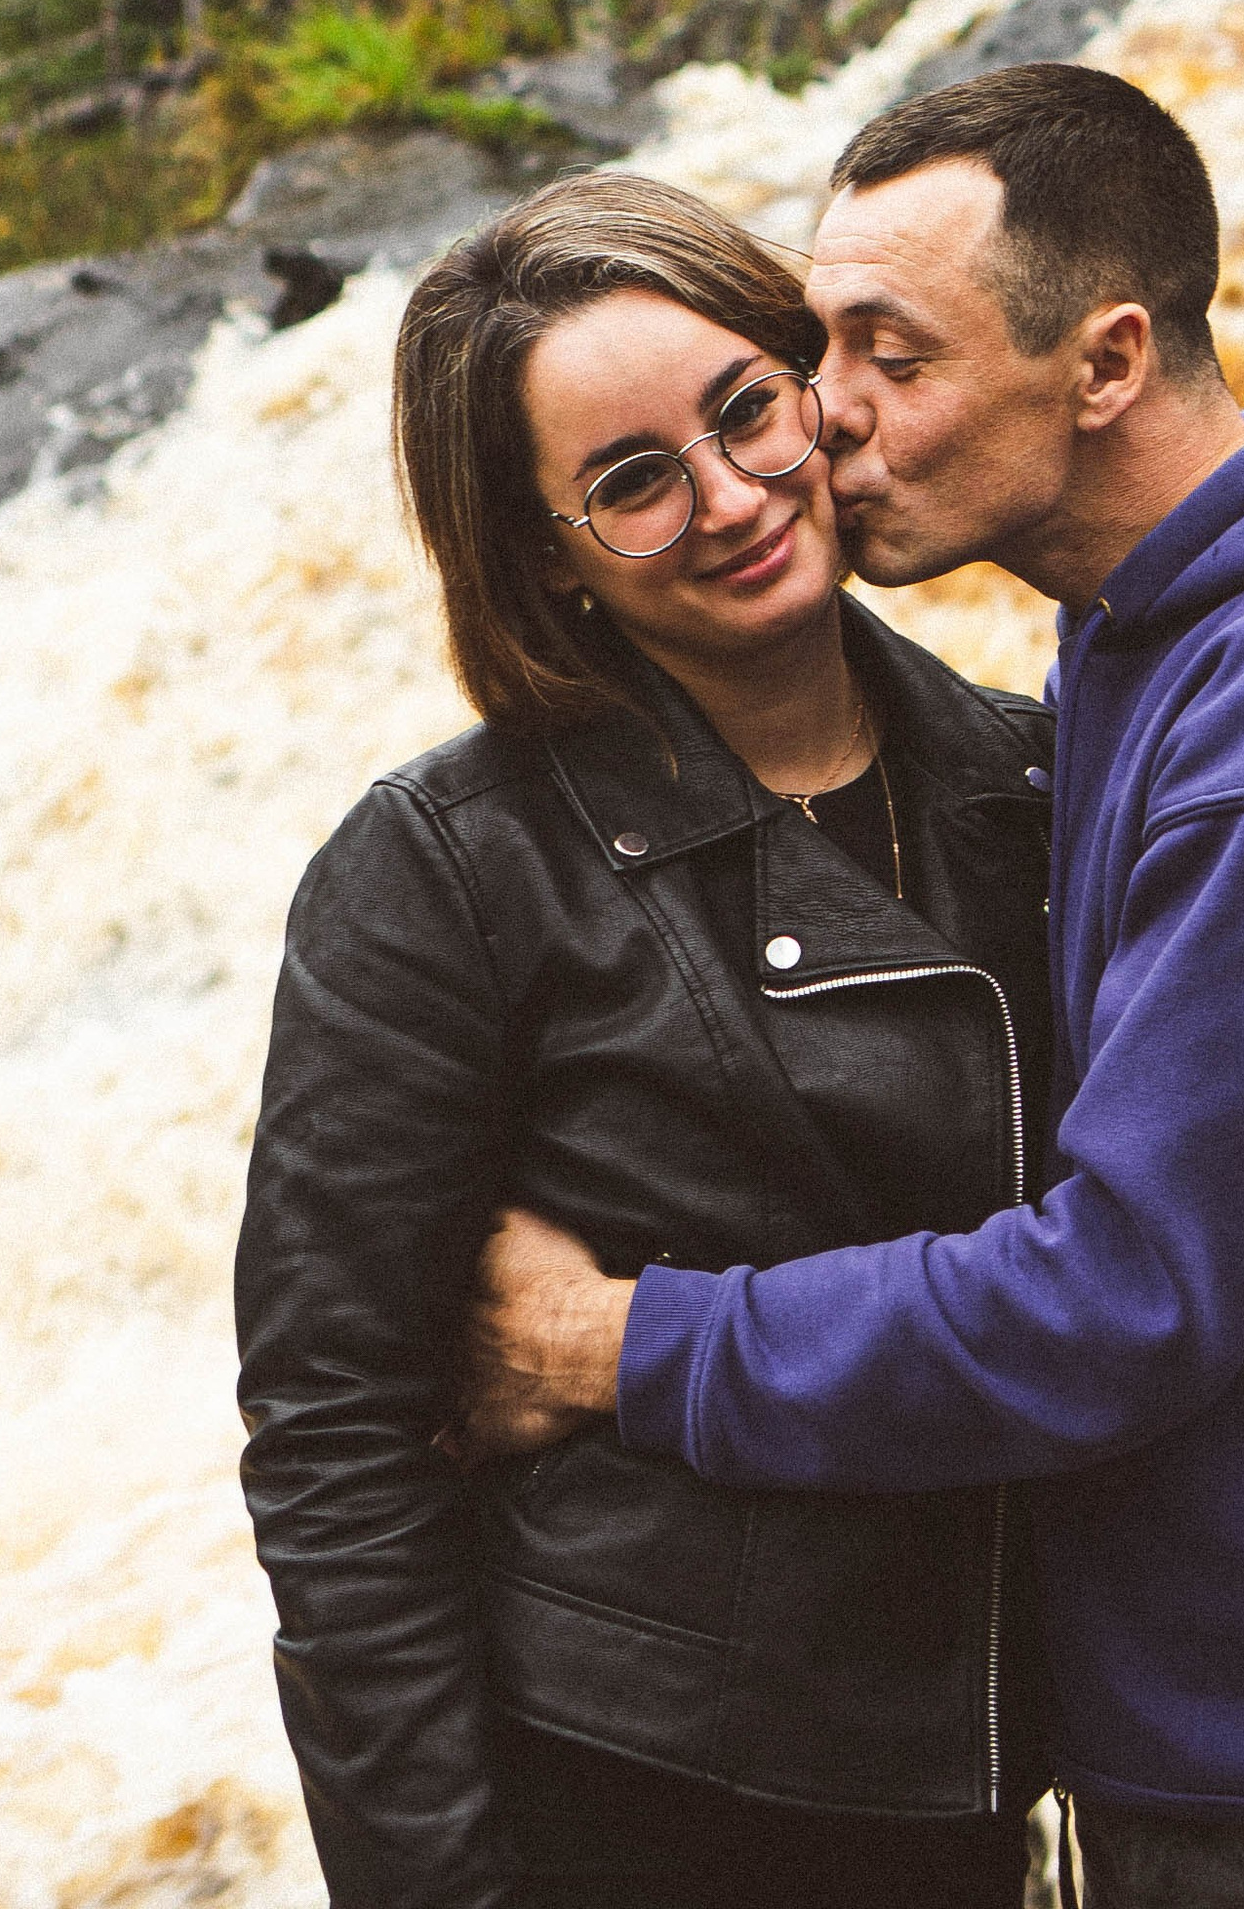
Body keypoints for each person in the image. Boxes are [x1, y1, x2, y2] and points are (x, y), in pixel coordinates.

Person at [464, 66, 1244, 1909]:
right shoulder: (1149, 639)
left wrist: (621, 1345)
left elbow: (1124, 1297)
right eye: (819, 342)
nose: (822, 421)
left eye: (890, 353)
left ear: (1103, 363)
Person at [233, 175, 1055, 1909]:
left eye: (746, 412)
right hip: (639, 1801)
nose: (732, 497)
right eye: (629, 482)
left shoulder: (1029, 781)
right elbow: (335, 1443)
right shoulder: (446, 870)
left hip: (990, 1783)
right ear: (544, 553)